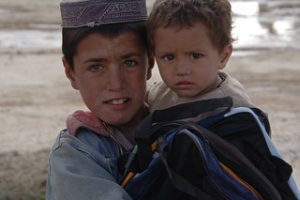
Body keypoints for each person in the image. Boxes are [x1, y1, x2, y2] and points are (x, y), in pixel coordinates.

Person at [46, 0, 153, 199]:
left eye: (130, 62)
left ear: (150, 63)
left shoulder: (180, 121)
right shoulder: (74, 154)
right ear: (71, 73)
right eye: (96, 67)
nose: (116, 83)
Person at [146, 0, 255, 111]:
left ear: (223, 56)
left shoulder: (234, 110)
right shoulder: (156, 96)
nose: (181, 70)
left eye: (195, 56)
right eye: (169, 57)